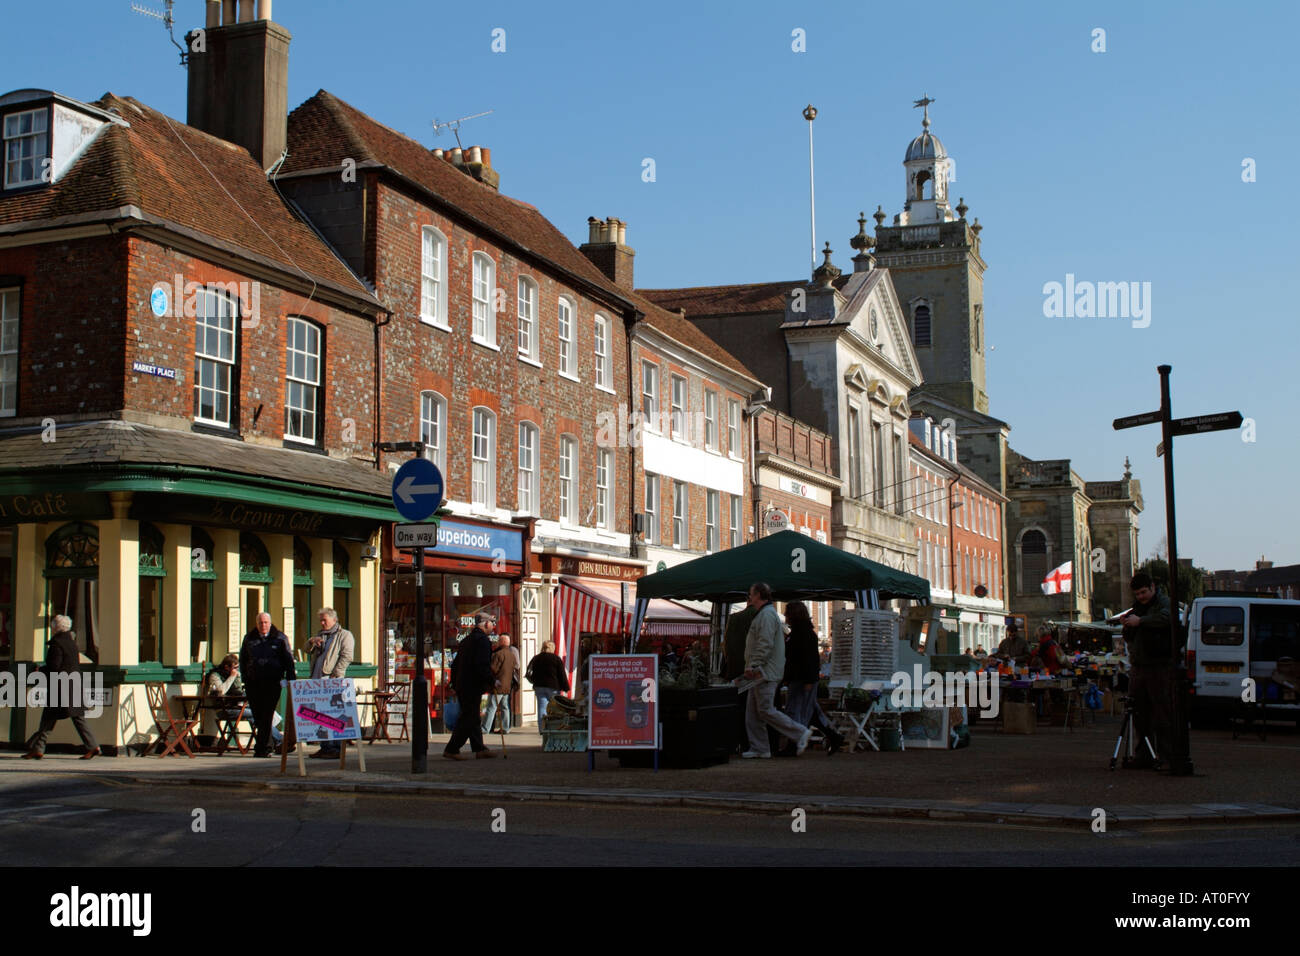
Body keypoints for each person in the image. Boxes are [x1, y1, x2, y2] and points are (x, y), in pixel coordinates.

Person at [741, 583, 812, 758]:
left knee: (765, 710)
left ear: (758, 595)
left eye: (751, 594)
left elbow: (765, 643)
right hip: (762, 670)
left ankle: (800, 732)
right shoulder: (766, 614)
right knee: (753, 712)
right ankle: (760, 748)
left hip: (764, 671)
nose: (749, 597)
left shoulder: (766, 615)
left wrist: (754, 664)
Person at [24, 615, 98, 760]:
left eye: (52, 627)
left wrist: (40, 671)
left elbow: (54, 667)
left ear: (55, 628)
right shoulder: (72, 643)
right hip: (73, 684)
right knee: (75, 718)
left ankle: (38, 749)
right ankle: (92, 745)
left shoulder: (57, 644)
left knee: (49, 717)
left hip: (60, 686)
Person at [1120, 571, 1175, 768]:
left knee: (1162, 712)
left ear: (1152, 587)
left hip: (1158, 666)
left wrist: (1140, 621)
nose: (1141, 597)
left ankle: (1167, 756)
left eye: (1144, 592)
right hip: (1139, 666)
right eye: (1138, 594)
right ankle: (1143, 756)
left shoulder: (1163, 603)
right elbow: (1130, 637)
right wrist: (1128, 625)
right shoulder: (1137, 608)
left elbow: (1167, 618)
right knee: (1139, 712)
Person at [781, 601, 845, 756]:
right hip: (801, 678)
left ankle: (793, 744)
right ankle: (834, 736)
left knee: (796, 711)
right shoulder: (802, 633)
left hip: (802, 679)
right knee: (811, 712)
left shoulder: (802, 635)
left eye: (787, 613)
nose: (785, 616)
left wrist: (809, 680)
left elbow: (809, 659)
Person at [239, 612, 295, 758]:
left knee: (267, 714)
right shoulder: (249, 638)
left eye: (265, 622)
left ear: (270, 623)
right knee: (258, 715)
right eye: (260, 623)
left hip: (273, 682)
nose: (263, 625)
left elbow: (288, 660)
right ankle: (265, 745)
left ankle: (263, 747)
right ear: (256, 624)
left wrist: (290, 679)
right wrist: (245, 679)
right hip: (253, 682)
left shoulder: (280, 638)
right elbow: (243, 660)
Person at [444, 610, 497, 760]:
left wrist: (454, 683)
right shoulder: (483, 641)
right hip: (472, 685)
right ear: (486, 624)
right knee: (468, 717)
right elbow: (482, 665)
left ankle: (479, 748)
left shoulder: (466, 640)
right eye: (492, 623)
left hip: (462, 684)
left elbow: (455, 664)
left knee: (472, 716)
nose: (493, 626)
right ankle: (452, 748)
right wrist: (491, 681)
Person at [308, 607, 355, 758]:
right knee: (320, 714)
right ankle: (325, 746)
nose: (322, 623)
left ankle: (335, 748)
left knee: (333, 714)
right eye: (320, 620)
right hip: (318, 680)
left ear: (334, 620)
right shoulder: (321, 635)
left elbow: (347, 656)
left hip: (332, 681)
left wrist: (336, 675)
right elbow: (306, 649)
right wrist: (312, 642)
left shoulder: (344, 635)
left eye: (325, 620)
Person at [201, 654, 245, 746]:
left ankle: (275, 740)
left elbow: (238, 691)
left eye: (237, 667)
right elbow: (221, 691)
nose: (236, 670)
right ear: (226, 667)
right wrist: (232, 677)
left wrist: (237, 678)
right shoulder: (215, 675)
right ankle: (276, 740)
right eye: (234, 668)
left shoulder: (236, 674)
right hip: (224, 709)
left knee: (264, 713)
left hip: (238, 707)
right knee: (259, 715)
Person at [482, 633, 520, 735]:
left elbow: (493, 669)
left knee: (492, 707)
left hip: (498, 685)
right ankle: (506, 728)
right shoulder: (512, 655)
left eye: (499, 640)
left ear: (501, 642)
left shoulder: (498, 654)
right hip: (507, 685)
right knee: (505, 708)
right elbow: (515, 668)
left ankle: (485, 728)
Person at [526, 640, 570, 725]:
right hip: (553, 686)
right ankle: (554, 726)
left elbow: (530, 671)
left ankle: (542, 728)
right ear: (552, 648)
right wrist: (565, 687)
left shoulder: (536, 658)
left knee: (542, 707)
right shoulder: (556, 659)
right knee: (555, 708)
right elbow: (561, 674)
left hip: (539, 686)